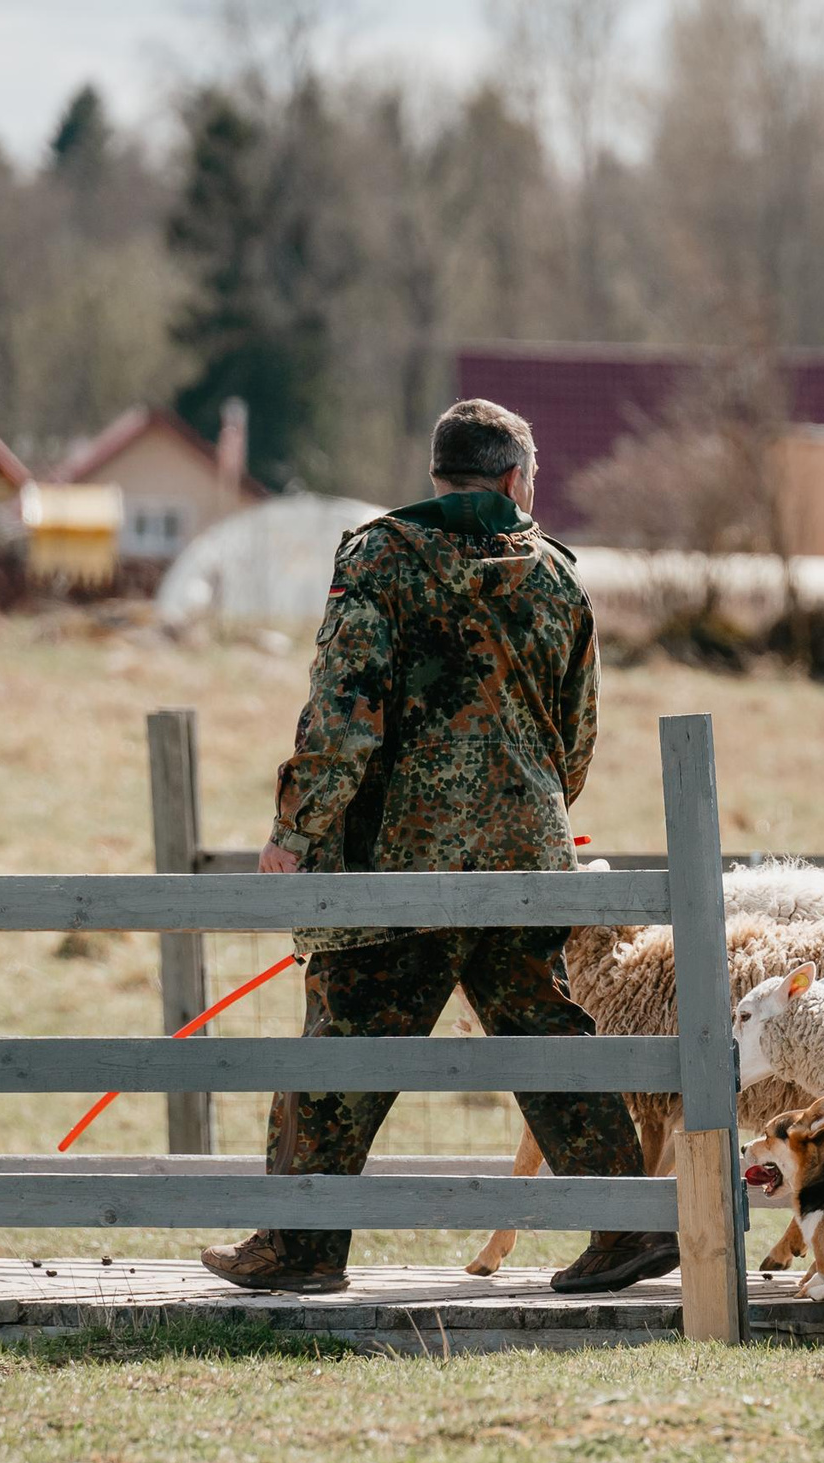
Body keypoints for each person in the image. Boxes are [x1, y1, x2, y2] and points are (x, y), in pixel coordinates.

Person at [200, 399, 671, 1296]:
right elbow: (576, 737)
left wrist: (295, 831)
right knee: (546, 1038)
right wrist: (528, 813)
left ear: (439, 478)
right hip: (527, 860)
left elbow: (343, 714)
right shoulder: (558, 576)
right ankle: (629, 1228)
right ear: (513, 480)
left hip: (399, 862)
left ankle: (300, 1246)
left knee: (343, 1043)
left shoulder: (379, 557)